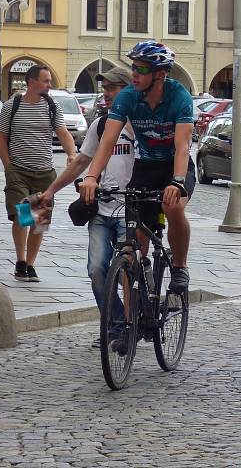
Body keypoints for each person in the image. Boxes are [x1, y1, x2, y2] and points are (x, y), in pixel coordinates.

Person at [79, 41, 195, 294]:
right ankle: (141, 282)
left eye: (141, 70)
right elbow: (107, 142)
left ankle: (179, 266)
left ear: (160, 75)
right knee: (136, 233)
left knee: (171, 205)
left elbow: (183, 146)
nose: (134, 73)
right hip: (146, 165)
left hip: (175, 164)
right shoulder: (128, 97)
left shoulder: (179, 97)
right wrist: (91, 177)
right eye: (133, 67)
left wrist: (176, 181)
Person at [37, 67, 135, 345]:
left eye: (112, 89)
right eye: (105, 89)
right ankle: (115, 323)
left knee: (129, 267)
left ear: (128, 90)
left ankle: (130, 324)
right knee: (96, 270)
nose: (106, 94)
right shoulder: (101, 125)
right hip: (102, 209)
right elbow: (81, 161)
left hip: (131, 208)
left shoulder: (140, 124)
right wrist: (52, 190)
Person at [0, 65, 77, 282]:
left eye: (49, 81)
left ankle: (30, 264)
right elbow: (1, 137)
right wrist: (8, 165)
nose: (49, 85)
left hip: (44, 172)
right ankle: (20, 260)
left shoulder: (52, 106)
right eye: (46, 81)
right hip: (18, 170)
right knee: (22, 213)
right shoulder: (11, 106)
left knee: (39, 221)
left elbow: (63, 132)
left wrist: (71, 153)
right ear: (31, 81)